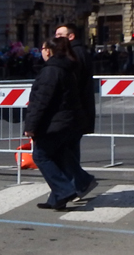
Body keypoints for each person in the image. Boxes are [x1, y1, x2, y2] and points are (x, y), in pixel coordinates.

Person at [24, 36, 83, 210]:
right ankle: (57, 199)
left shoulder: (51, 71)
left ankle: (64, 191)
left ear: (48, 51)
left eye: (42, 49)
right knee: (58, 156)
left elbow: (42, 101)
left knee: (40, 156)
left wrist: (31, 127)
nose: (41, 52)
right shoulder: (65, 68)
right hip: (66, 122)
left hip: (54, 123)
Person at [54, 23, 97, 199]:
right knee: (69, 149)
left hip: (73, 111)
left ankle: (79, 182)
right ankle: (74, 186)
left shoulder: (74, 54)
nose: (55, 38)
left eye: (59, 35)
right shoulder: (78, 52)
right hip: (78, 110)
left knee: (61, 148)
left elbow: (72, 84)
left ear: (70, 37)